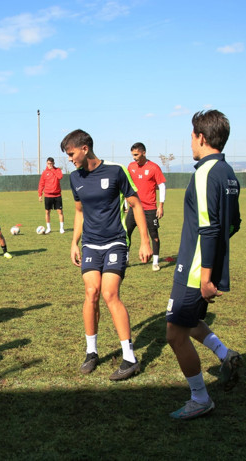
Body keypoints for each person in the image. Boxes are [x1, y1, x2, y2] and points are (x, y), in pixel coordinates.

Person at [165, 110, 242, 420]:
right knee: (190, 320)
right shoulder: (228, 172)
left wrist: (206, 275)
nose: (190, 143)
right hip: (206, 264)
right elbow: (232, 224)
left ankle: (200, 398)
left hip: (195, 268)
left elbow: (209, 229)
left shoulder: (204, 173)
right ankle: (226, 354)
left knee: (174, 333)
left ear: (201, 137)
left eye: (191, 136)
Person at [61, 129, 152, 381]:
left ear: (85, 148)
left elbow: (136, 204)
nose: (69, 159)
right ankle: (91, 352)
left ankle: (130, 358)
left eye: (71, 154)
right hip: (90, 243)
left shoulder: (115, 171)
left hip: (115, 242)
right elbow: (79, 212)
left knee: (110, 293)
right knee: (91, 293)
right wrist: (74, 242)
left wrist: (145, 241)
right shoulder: (74, 178)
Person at [126, 142, 166, 271]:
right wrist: (126, 204)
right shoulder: (131, 166)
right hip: (134, 208)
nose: (134, 158)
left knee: (154, 235)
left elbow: (162, 186)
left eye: (136, 154)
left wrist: (161, 206)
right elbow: (127, 186)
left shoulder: (154, 167)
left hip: (150, 208)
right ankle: (125, 259)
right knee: (126, 234)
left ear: (144, 152)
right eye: (133, 155)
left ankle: (155, 262)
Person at [38, 157, 65, 234]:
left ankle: (61, 228)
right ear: (46, 163)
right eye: (48, 163)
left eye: (51, 163)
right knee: (47, 212)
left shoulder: (57, 170)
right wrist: (40, 195)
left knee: (60, 211)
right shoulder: (44, 172)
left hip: (57, 195)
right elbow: (41, 184)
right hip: (48, 195)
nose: (49, 165)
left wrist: (52, 170)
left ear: (53, 163)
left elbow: (60, 177)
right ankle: (48, 228)